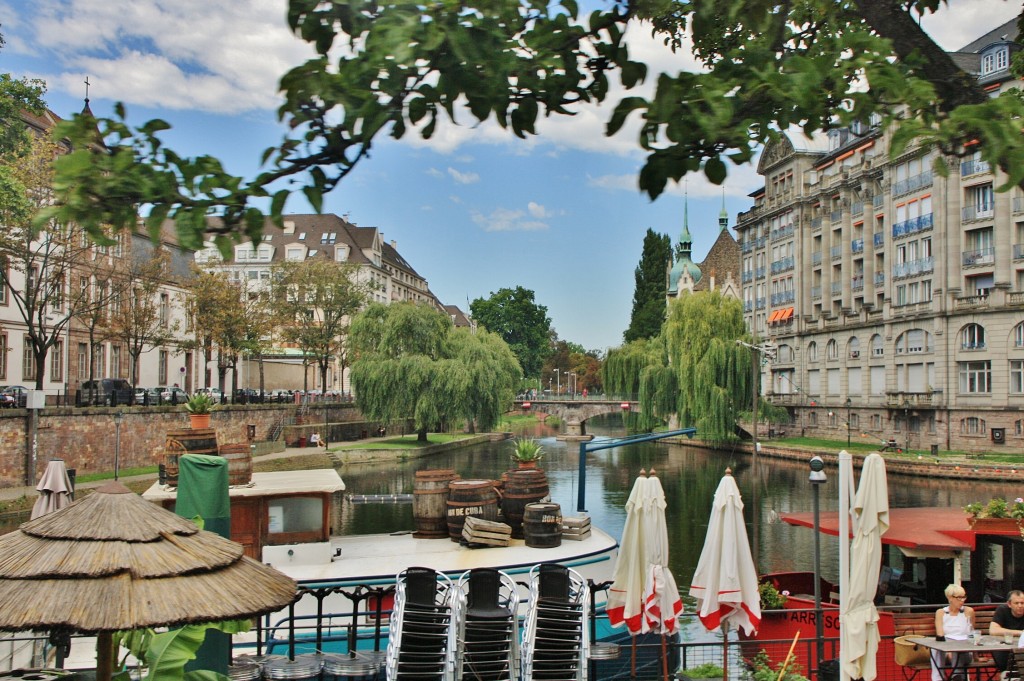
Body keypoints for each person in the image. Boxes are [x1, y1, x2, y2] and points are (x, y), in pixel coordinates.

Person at [932, 583, 974, 681]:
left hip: (964, 651)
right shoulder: (941, 612)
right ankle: (938, 678)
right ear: (950, 598)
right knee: (935, 648)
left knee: (957, 648)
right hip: (946, 651)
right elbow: (940, 634)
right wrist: (948, 650)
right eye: (959, 598)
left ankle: (957, 676)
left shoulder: (969, 611)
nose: (962, 600)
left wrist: (976, 657)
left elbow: (972, 634)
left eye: (964, 597)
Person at [989, 590, 1024, 672]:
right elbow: (993, 630)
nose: (1020, 606)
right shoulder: (1002, 610)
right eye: (1016, 603)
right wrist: (1020, 633)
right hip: (1003, 647)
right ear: (1009, 604)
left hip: (1021, 647)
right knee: (1003, 661)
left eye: (1022, 603)